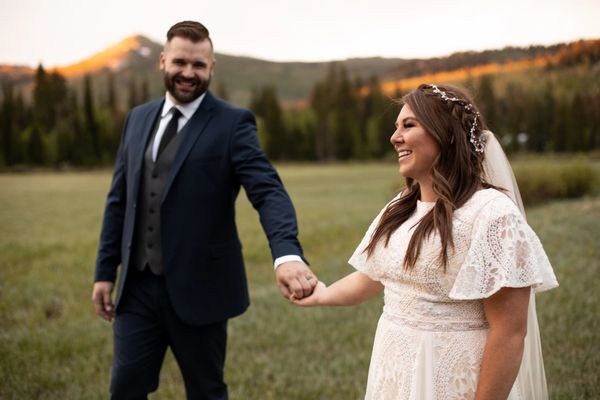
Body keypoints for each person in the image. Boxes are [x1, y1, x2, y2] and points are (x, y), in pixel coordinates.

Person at [91, 20, 317, 399]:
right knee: (125, 388)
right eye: (180, 62)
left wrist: (287, 254)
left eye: (199, 65)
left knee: (207, 391)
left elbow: (267, 191)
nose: (188, 73)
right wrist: (104, 271)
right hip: (138, 288)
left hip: (201, 289)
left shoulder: (233, 123)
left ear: (211, 68)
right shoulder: (137, 118)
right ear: (163, 61)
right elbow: (119, 200)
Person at [293, 83, 558, 399]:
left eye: (408, 125)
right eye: (396, 127)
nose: (395, 138)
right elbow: (376, 275)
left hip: (454, 379)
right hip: (393, 370)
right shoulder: (399, 207)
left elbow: (510, 333)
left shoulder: (492, 214)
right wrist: (321, 294)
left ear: (445, 133)